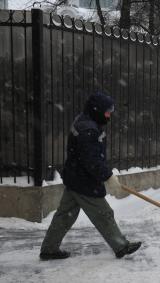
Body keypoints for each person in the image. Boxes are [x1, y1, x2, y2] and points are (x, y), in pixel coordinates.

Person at [40, 93, 141, 260]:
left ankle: (49, 249)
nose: (109, 116)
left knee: (65, 215)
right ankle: (121, 246)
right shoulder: (88, 129)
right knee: (103, 213)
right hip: (83, 181)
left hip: (75, 177)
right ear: (97, 110)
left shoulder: (85, 121)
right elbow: (91, 160)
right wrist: (108, 177)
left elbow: (87, 157)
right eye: (107, 112)